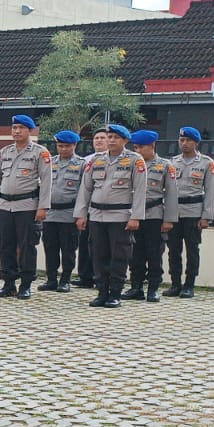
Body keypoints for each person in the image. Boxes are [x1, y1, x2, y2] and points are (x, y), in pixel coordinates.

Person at [75, 123, 146, 310]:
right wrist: (81, 214)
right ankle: (102, 292)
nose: (111, 140)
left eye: (115, 137)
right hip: (97, 215)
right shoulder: (95, 160)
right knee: (98, 255)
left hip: (120, 215)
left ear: (125, 140)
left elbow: (140, 191)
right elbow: (85, 189)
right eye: (109, 137)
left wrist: (136, 217)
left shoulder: (134, 160)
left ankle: (115, 293)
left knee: (119, 256)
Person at [0, 115, 51, 300]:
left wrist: (43, 207)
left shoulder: (40, 152)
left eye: (21, 128)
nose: (16, 131)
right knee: (6, 245)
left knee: (27, 246)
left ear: (29, 130)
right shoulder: (5, 151)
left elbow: (47, 182)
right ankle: (8, 283)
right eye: (14, 128)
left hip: (28, 206)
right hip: (6, 205)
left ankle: (26, 284)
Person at [123, 130, 176, 303]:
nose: (137, 150)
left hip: (154, 214)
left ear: (152, 146)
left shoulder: (165, 165)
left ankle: (153, 288)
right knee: (135, 253)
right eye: (135, 147)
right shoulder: (129, 163)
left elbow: (171, 194)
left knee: (154, 253)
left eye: (141, 147)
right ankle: (136, 286)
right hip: (133, 214)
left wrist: (168, 219)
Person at [166, 126, 214, 298]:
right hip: (174, 211)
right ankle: (175, 284)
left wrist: (206, 216)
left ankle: (189, 285)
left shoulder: (206, 163)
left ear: (196, 142)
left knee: (192, 250)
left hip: (194, 211)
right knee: (173, 250)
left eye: (188, 140)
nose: (184, 143)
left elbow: (210, 191)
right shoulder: (172, 162)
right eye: (182, 140)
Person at [38, 130, 85, 291]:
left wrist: (80, 215)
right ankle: (51, 279)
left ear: (74, 145)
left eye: (67, 146)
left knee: (68, 249)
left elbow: (84, 191)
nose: (63, 149)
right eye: (60, 146)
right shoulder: (50, 162)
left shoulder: (82, 164)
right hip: (50, 213)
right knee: (50, 248)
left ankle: (65, 280)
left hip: (69, 213)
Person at [75, 129, 110, 288]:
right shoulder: (86, 161)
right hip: (88, 209)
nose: (99, 141)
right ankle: (85, 277)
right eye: (96, 138)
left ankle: (101, 278)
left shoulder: (116, 160)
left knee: (102, 247)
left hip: (107, 211)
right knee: (84, 244)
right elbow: (82, 188)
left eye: (103, 138)